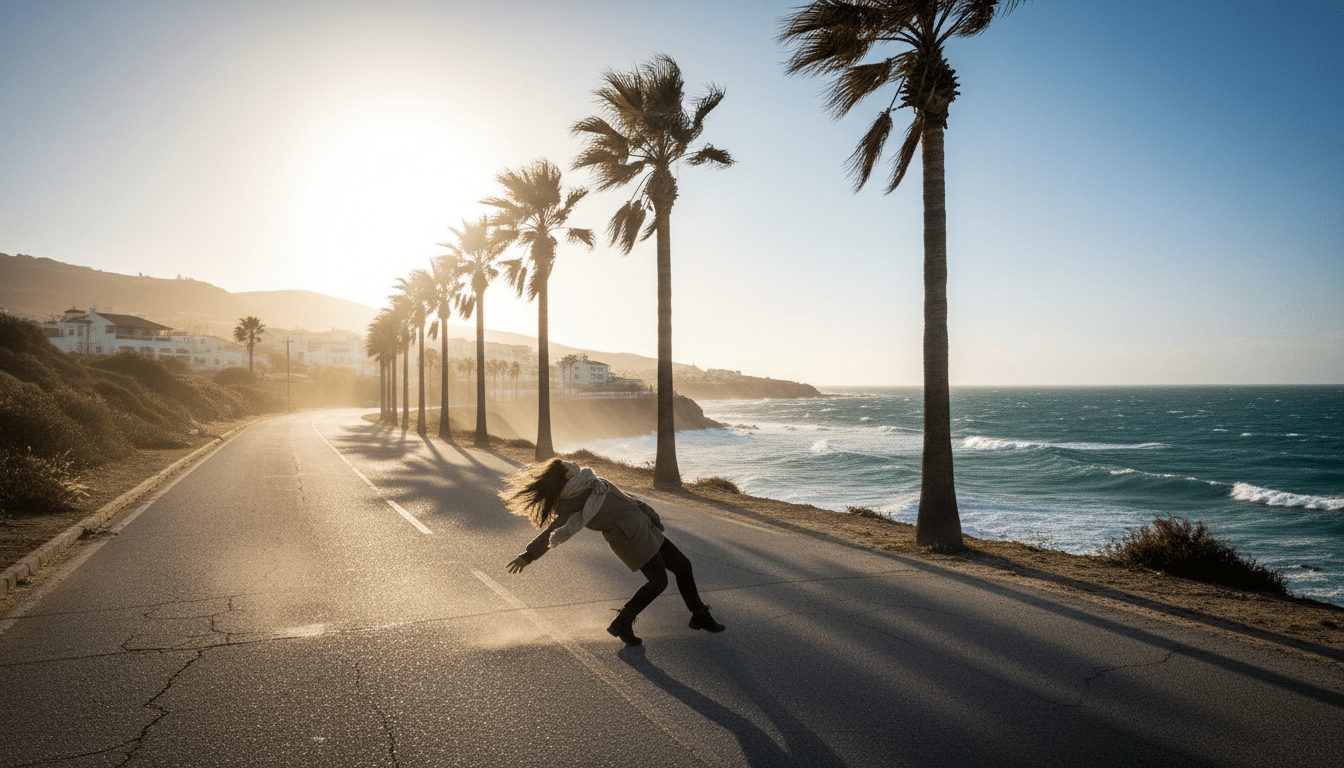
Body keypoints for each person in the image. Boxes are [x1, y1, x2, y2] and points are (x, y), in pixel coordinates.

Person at [500, 459, 725, 645]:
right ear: (565, 476)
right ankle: (622, 622)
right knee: (658, 582)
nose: (573, 463)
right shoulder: (571, 500)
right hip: (629, 539)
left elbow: (625, 498)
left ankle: (699, 615)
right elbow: (555, 530)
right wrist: (529, 555)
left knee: (683, 566)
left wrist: (647, 513)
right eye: (567, 465)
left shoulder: (592, 481)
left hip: (646, 528)